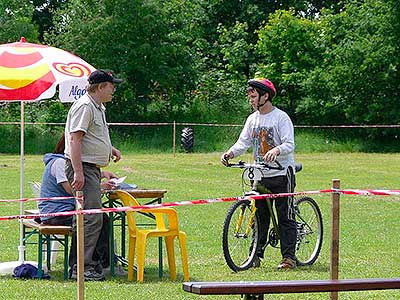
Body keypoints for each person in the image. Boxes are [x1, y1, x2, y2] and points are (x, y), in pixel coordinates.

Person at [221, 77, 297, 270]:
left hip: (281, 173)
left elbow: (289, 144)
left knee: (284, 215)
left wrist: (276, 150)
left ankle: (289, 258)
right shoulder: (252, 119)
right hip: (260, 173)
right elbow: (243, 142)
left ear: (265, 96)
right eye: (250, 97)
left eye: (254, 96)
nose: (251, 100)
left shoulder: (281, 117)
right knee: (260, 216)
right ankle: (255, 255)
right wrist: (230, 153)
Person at [64, 69, 123, 281]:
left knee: (93, 217)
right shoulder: (85, 106)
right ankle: (81, 267)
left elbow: (91, 137)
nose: (113, 90)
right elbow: (75, 140)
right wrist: (78, 172)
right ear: (99, 87)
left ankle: (84, 264)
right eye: (111, 86)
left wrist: (110, 149)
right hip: (83, 168)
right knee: (90, 218)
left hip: (90, 168)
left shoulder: (98, 107)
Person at [38, 133, 117, 276]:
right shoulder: (60, 163)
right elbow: (73, 190)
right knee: (95, 219)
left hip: (66, 210)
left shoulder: (60, 162)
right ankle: (100, 263)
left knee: (98, 217)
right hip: (56, 214)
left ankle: (99, 261)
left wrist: (103, 174)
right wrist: (101, 187)